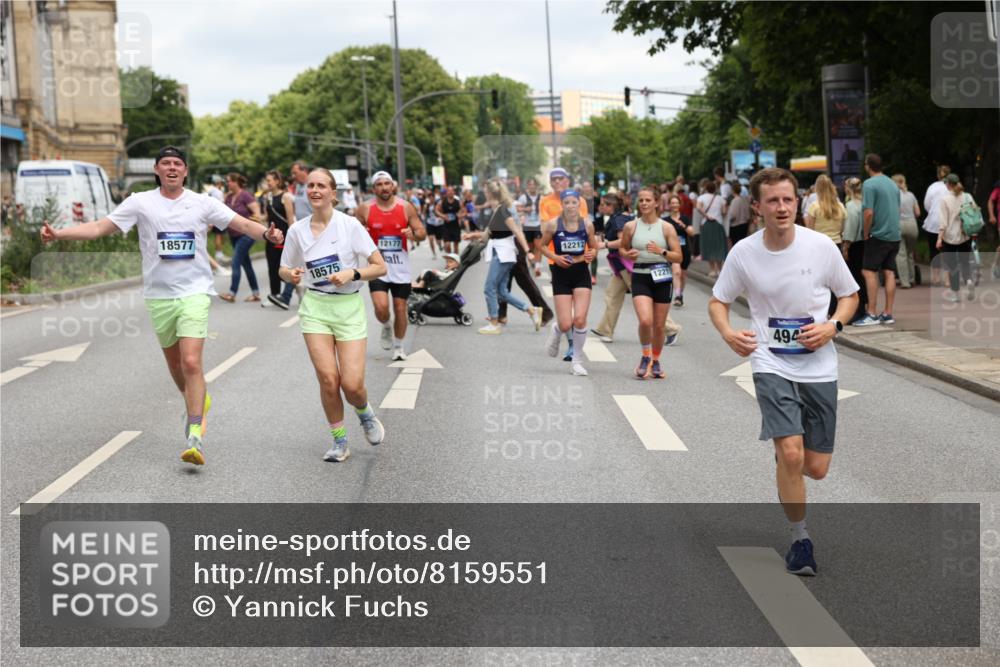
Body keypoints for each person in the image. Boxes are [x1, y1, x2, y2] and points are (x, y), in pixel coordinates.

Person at [40, 145, 283, 466]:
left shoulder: (201, 202)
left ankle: (195, 431)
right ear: (157, 170)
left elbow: (240, 224)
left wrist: (268, 234)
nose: (171, 168)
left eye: (177, 164)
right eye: (165, 163)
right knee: (175, 366)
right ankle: (198, 400)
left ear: (185, 171)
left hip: (195, 292)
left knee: (192, 362)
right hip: (159, 296)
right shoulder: (140, 202)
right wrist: (59, 234)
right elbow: (100, 227)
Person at [709, 167, 860, 577]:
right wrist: (728, 333)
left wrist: (833, 325)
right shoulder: (744, 252)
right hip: (770, 360)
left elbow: (849, 295)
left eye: (788, 199)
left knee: (816, 468)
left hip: (819, 364)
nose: (781, 207)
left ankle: (787, 455)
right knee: (792, 452)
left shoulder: (820, 247)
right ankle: (800, 540)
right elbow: (718, 301)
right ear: (756, 207)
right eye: (772, 201)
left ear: (798, 202)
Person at [278, 167, 387, 463]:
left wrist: (353, 272)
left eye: (321, 186)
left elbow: (379, 266)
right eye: (310, 185)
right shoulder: (296, 230)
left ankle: (364, 413)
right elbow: (283, 269)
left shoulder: (349, 225)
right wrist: (292, 274)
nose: (314, 190)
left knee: (351, 384)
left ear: (332, 193)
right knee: (328, 379)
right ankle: (340, 442)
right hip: (315, 307)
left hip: (348, 307)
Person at [355, 171, 426, 361]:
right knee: (381, 308)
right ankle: (386, 325)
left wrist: (414, 234)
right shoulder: (365, 208)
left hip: (400, 268)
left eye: (387, 183)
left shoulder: (405, 207)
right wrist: (361, 231)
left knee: (400, 307)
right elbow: (352, 231)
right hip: (377, 267)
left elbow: (421, 232)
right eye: (380, 184)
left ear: (393, 186)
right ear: (374, 188)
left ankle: (399, 347)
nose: (384, 187)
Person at [463, 178, 544, 334]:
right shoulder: (498, 210)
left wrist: (528, 252)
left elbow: (517, 231)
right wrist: (473, 235)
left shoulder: (502, 210)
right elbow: (491, 234)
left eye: (486, 191)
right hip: (502, 252)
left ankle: (494, 323)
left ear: (491, 194)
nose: (484, 194)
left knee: (489, 288)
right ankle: (532, 311)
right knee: (502, 291)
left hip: (503, 254)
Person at [619, 187, 683, 379]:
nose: (644, 203)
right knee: (645, 320)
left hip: (662, 277)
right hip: (640, 276)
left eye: (648, 200)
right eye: (641, 200)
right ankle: (645, 356)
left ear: (656, 203)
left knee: (659, 325)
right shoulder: (631, 226)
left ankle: (656, 360)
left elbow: (678, 256)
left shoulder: (666, 227)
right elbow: (622, 248)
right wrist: (627, 254)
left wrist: (661, 251)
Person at [540, 189, 598, 376]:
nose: (571, 206)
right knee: (566, 324)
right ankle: (557, 329)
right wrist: (555, 258)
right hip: (561, 273)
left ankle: (577, 362)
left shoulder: (587, 225)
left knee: (580, 319)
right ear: (562, 204)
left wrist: (592, 253)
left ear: (579, 205)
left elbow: (594, 247)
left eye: (575, 202)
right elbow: (541, 246)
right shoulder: (552, 225)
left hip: (581, 272)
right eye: (567, 202)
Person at [854, 154, 901, 326]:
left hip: (878, 234)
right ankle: (888, 313)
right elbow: (897, 207)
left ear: (868, 166)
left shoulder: (869, 184)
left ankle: (871, 313)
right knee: (889, 272)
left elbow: (868, 212)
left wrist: (866, 232)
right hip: (894, 234)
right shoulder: (893, 184)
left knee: (868, 271)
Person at [590, 192, 636, 343]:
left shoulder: (619, 219)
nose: (600, 207)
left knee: (643, 297)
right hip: (620, 265)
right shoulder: (619, 217)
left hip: (626, 263)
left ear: (611, 206)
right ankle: (605, 330)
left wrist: (605, 244)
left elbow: (624, 241)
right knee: (612, 295)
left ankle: (670, 329)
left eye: (603, 204)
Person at [218, 173, 263, 303]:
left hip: (247, 235)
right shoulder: (229, 197)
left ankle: (232, 293)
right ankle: (256, 293)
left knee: (235, 261)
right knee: (246, 264)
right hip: (234, 236)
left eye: (229, 181)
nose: (227, 184)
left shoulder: (246, 195)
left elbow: (257, 213)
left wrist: (248, 223)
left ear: (236, 182)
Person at [935, 173, 976, 302]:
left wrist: (939, 238)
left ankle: (955, 294)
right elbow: (975, 212)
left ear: (949, 184)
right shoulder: (967, 196)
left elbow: (943, 222)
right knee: (965, 262)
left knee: (952, 266)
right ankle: (968, 280)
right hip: (965, 235)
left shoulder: (945, 200)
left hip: (949, 237)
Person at [262, 170, 297, 309]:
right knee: (272, 267)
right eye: (267, 180)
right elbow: (266, 216)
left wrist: (293, 238)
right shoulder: (268, 197)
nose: (268, 183)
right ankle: (274, 295)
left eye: (270, 180)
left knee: (284, 267)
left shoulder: (286, 197)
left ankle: (293, 288)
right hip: (271, 238)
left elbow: (290, 219)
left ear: (277, 181)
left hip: (284, 238)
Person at [840, 177, 868, 322]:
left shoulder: (851, 206)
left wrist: (845, 247)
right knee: (862, 277)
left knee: (855, 278)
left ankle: (858, 309)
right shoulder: (864, 203)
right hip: (865, 242)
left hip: (855, 245)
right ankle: (865, 307)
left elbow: (850, 228)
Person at [661, 193, 694, 308]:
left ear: (680, 205)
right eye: (672, 203)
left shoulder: (685, 218)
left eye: (676, 203)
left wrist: (683, 226)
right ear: (669, 205)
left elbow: (692, 232)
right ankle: (678, 296)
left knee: (683, 275)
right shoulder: (665, 220)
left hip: (685, 249)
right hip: (672, 250)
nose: (674, 205)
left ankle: (680, 294)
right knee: (676, 272)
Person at [922, 165, 951, 286]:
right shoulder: (952, 187)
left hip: (933, 222)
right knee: (948, 250)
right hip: (949, 222)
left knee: (934, 250)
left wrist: (934, 211)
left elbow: (927, 204)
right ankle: (947, 278)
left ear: (938, 175)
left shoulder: (932, 187)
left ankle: (935, 278)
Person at [892, 174, 921, 289]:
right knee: (909, 253)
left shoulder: (893, 196)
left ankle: (905, 282)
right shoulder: (911, 195)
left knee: (901, 254)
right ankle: (912, 278)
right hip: (912, 225)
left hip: (898, 224)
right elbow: (918, 213)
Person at [696, 180, 727, 276]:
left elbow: (698, 208)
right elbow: (724, 211)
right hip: (718, 223)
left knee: (708, 246)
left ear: (706, 188)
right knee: (719, 246)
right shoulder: (720, 198)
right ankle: (720, 269)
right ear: (715, 189)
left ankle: (712, 269)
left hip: (706, 223)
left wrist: (706, 215)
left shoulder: (701, 197)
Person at [516, 178, 544, 276]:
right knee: (529, 248)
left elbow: (546, 210)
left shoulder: (542, 198)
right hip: (527, 225)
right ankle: (533, 262)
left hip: (538, 225)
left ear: (536, 186)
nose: (532, 186)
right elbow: (517, 208)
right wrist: (525, 208)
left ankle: (537, 266)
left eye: (534, 184)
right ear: (528, 186)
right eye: (530, 184)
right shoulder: (523, 197)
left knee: (538, 246)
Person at [435, 187, 464, 254]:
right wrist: (443, 216)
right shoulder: (443, 202)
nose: (450, 192)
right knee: (447, 245)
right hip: (446, 226)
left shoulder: (458, 202)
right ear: (446, 193)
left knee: (456, 246)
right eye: (449, 191)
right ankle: (450, 257)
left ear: (454, 192)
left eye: (452, 191)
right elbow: (436, 210)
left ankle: (455, 261)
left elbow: (464, 211)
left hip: (455, 225)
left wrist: (460, 215)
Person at [726, 179, 752, 248]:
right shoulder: (745, 200)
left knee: (736, 246)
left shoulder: (734, 201)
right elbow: (748, 214)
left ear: (733, 190)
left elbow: (732, 215)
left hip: (735, 226)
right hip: (744, 225)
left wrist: (727, 220)